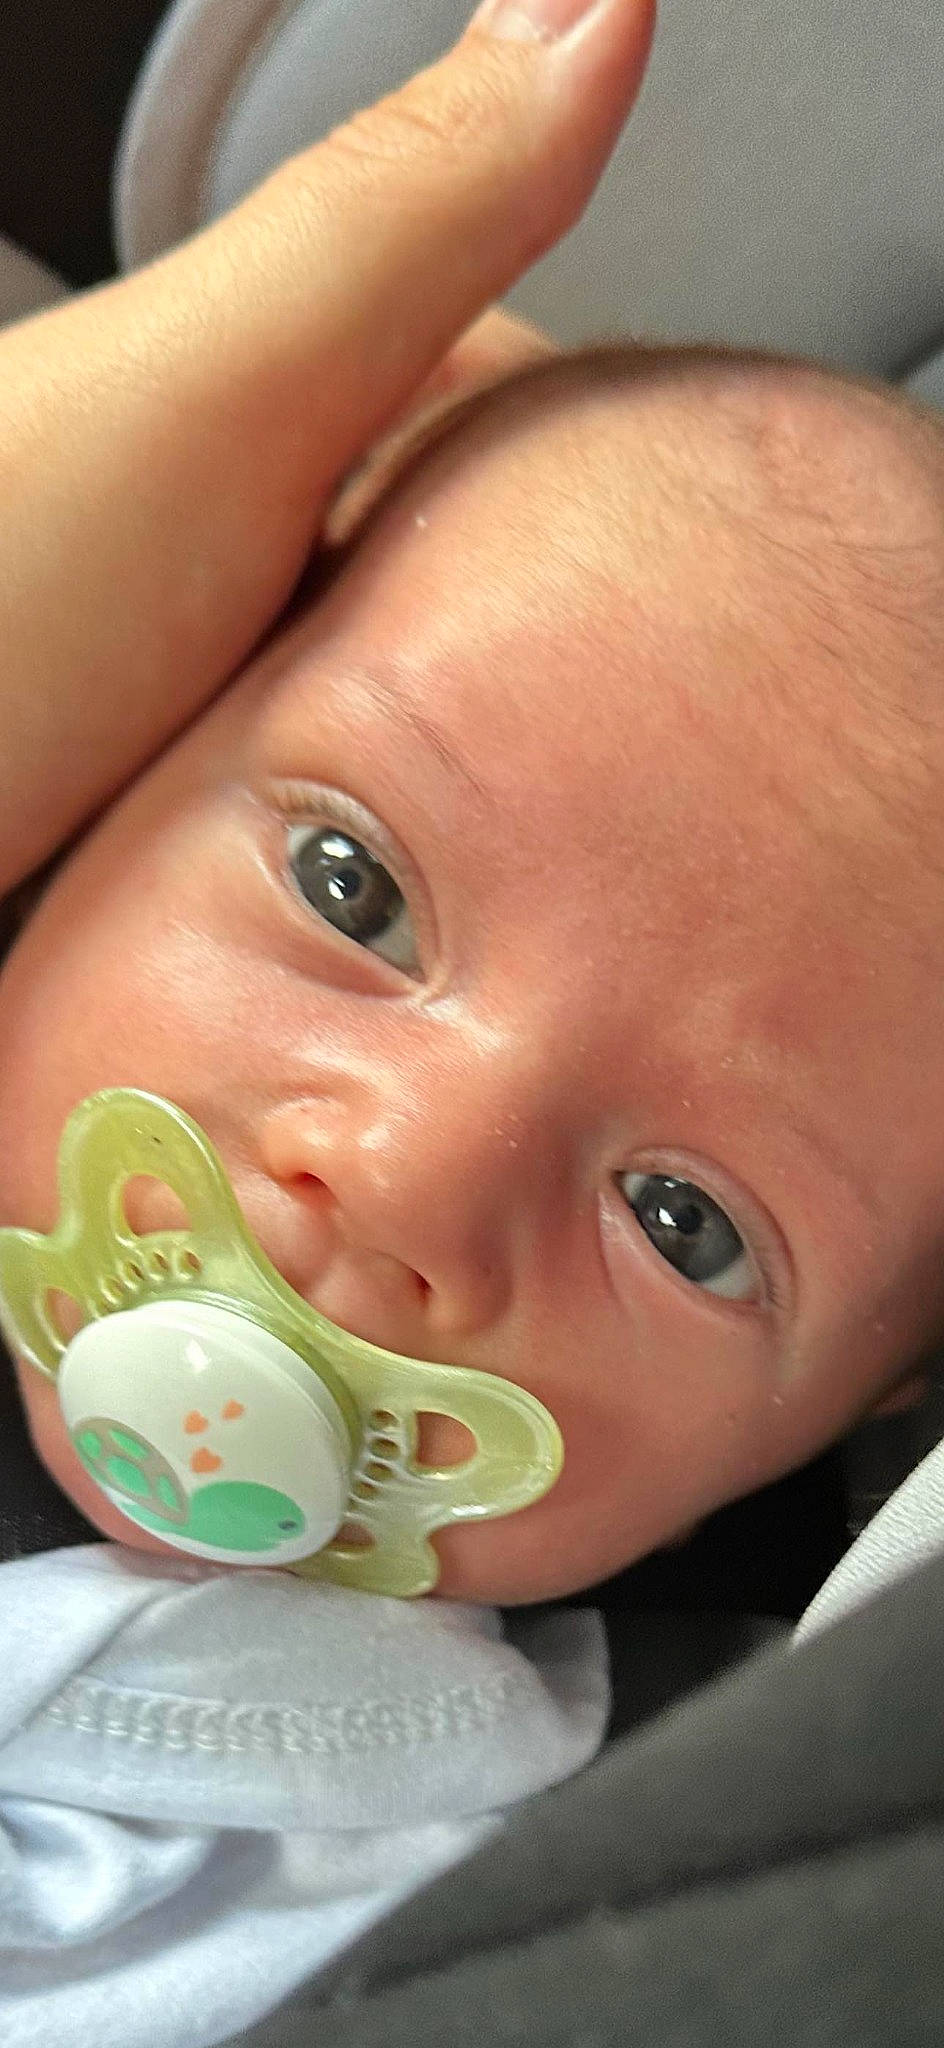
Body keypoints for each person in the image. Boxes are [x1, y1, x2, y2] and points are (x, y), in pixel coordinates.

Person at [2, 0, 944, 2039]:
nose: (402, 1177)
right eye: (353, 888)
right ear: (144, 710)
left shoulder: (551, 1848)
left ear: (840, 1430)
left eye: (688, 1222)